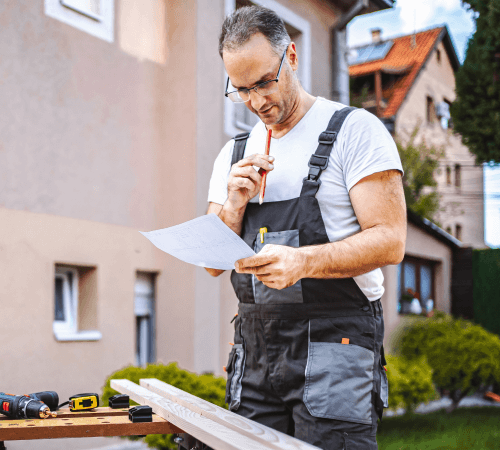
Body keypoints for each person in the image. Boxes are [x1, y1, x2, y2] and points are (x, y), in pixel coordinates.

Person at [206, 6, 406, 450]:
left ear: (291, 57)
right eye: (241, 90)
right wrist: (234, 203)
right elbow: (211, 265)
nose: (257, 101)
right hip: (255, 351)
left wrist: (304, 261)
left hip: (338, 344)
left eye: (264, 82)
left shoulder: (355, 132)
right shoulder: (233, 153)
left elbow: (391, 241)